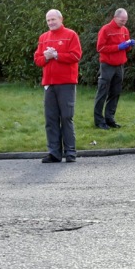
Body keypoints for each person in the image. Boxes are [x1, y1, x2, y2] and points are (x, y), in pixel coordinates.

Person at [33, 9, 83, 163]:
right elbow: (38, 60)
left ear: (61, 19)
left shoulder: (71, 35)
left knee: (66, 117)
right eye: (48, 20)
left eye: (53, 19)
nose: (50, 23)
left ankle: (70, 153)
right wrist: (46, 57)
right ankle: (54, 153)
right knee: (51, 118)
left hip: (66, 83)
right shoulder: (43, 38)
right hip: (49, 83)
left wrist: (57, 55)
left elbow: (76, 55)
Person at [94, 8, 133, 130]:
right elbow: (100, 48)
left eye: (125, 20)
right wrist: (118, 47)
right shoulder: (105, 29)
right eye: (122, 20)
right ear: (115, 18)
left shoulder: (124, 30)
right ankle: (99, 121)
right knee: (103, 92)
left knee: (115, 92)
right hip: (107, 65)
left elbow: (126, 49)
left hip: (120, 65)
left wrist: (129, 45)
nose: (124, 23)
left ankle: (110, 118)